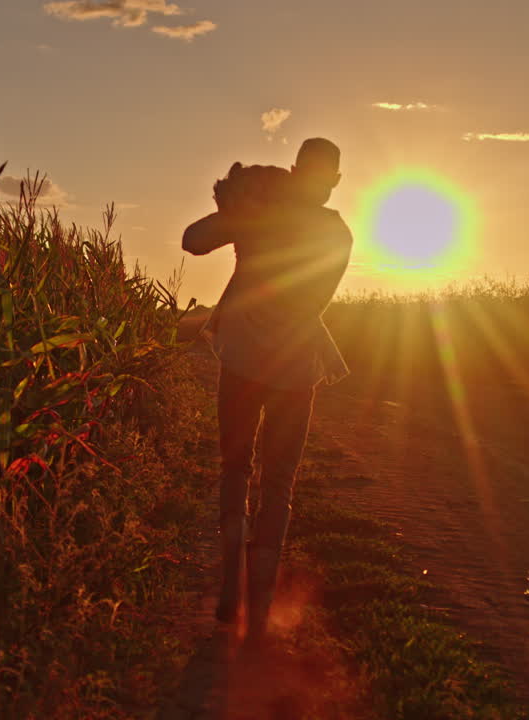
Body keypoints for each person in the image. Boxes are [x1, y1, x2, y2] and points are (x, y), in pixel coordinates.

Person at [181, 139, 353, 645]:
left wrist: (235, 211)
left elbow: (193, 240)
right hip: (297, 368)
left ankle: (230, 591)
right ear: (334, 181)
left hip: (240, 360)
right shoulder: (337, 234)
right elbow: (315, 300)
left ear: (295, 169)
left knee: (235, 466)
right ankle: (257, 615)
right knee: (279, 482)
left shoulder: (258, 210)